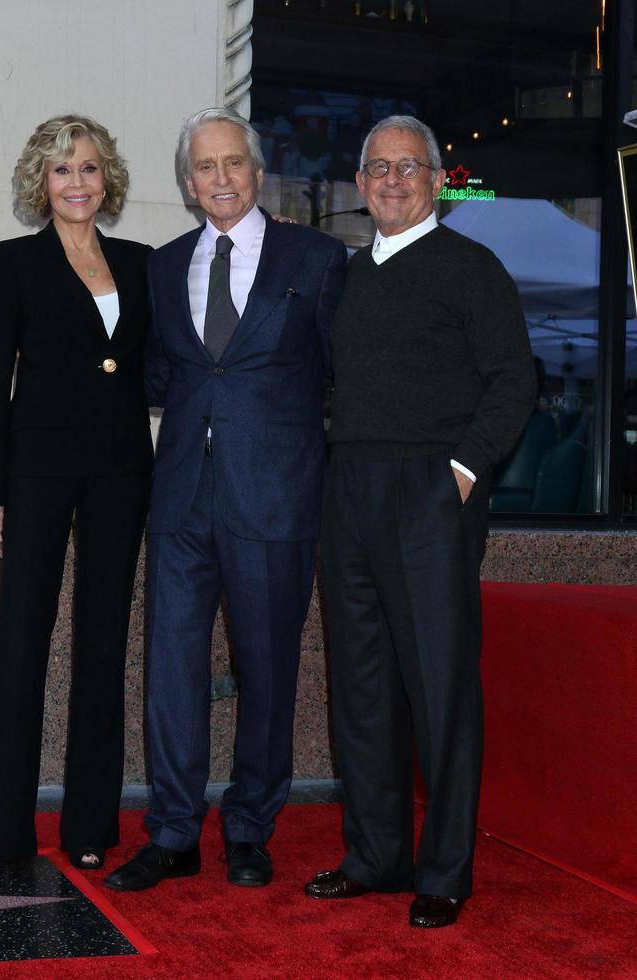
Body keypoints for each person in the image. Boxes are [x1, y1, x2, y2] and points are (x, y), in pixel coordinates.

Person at [105, 107, 347, 892]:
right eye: (204, 167)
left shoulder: (315, 259)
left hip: (275, 502)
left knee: (267, 670)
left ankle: (249, 825)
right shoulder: (162, 266)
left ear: (258, 170)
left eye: (233, 164)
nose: (220, 179)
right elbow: (161, 377)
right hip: (179, 502)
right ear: (186, 183)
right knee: (170, 670)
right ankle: (174, 830)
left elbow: (346, 379)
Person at [304, 115, 535, 926]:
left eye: (411, 166)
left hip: (431, 490)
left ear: (438, 181)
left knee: (439, 686)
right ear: (360, 186)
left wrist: (463, 473)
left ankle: (444, 873)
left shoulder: (473, 268)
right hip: (349, 488)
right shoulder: (343, 275)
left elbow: (515, 379)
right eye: (379, 168)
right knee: (361, 687)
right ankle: (375, 857)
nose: (394, 180)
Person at [0, 115, 153, 877]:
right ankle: (2, 831)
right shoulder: (9, 262)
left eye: (89, 168)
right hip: (36, 470)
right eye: (61, 170)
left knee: (103, 645)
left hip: (121, 472)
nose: (77, 183)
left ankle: (89, 825)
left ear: (108, 179)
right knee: (21, 645)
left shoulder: (142, 264)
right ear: (39, 183)